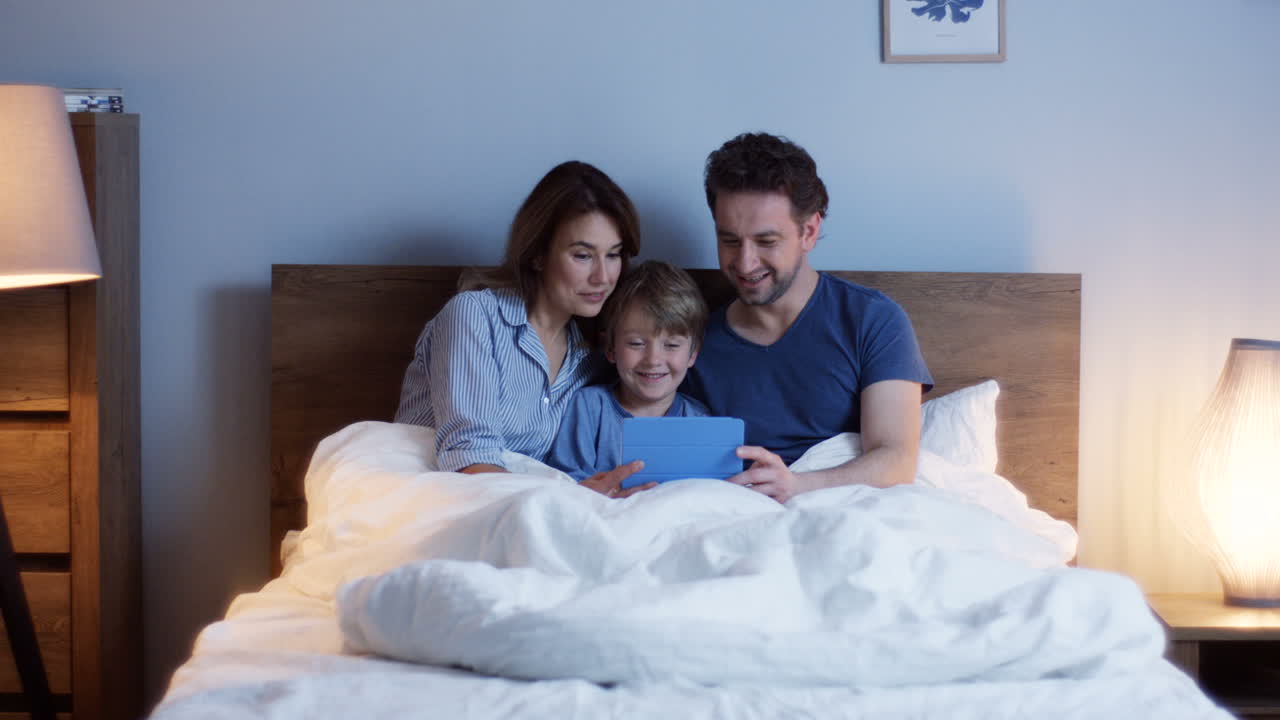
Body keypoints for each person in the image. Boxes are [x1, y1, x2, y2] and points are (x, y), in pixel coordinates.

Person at [681, 132, 934, 503]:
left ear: (809, 231)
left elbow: (895, 460)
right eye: (730, 241)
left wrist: (798, 486)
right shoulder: (692, 344)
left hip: (848, 513)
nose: (745, 262)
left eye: (766, 242)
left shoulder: (871, 320)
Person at [395, 160, 650, 496]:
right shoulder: (474, 316)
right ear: (538, 255)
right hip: (440, 496)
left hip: (523, 505)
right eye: (583, 255)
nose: (603, 277)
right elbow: (470, 460)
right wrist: (565, 501)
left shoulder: (592, 357)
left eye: (614, 255)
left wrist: (586, 495)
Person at [546, 261, 710, 480]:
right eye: (636, 343)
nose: (653, 360)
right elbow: (566, 481)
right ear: (610, 348)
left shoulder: (701, 423)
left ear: (693, 354)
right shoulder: (589, 407)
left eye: (671, 345)